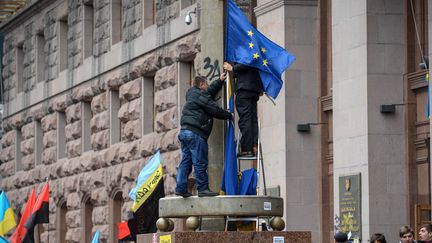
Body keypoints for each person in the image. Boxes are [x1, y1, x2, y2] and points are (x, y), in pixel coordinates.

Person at [175, 73, 232, 198]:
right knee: (200, 161)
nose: (208, 86)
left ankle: (180, 188)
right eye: (206, 83)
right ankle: (203, 189)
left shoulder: (194, 95)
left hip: (184, 132)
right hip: (195, 133)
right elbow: (214, 109)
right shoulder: (200, 96)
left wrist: (219, 81)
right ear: (201, 85)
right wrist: (229, 115)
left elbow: (208, 93)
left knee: (186, 161)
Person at [223, 62, 263, 157]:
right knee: (252, 119)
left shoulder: (248, 49)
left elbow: (247, 61)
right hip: (254, 89)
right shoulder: (255, 48)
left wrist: (232, 68)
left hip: (244, 88)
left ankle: (247, 148)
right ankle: (254, 146)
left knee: (246, 119)